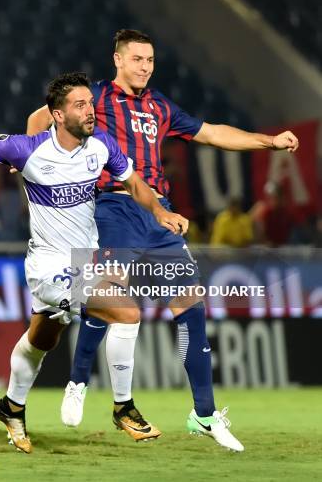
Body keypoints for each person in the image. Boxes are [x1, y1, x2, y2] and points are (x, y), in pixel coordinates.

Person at [27, 29, 299, 453]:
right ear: (117, 60)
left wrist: (268, 141)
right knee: (106, 298)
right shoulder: (94, 96)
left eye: (150, 60)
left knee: (191, 308)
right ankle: (78, 381)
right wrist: (36, 161)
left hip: (159, 215)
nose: (145, 67)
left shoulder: (159, 106)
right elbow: (38, 121)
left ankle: (204, 415)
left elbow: (211, 132)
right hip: (111, 207)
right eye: (137, 59)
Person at [0, 72, 189, 453]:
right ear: (57, 114)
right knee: (127, 313)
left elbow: (134, 181)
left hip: (85, 258)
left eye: (91, 103)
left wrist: (157, 210)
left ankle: (10, 406)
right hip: (49, 264)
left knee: (42, 340)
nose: (91, 111)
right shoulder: (29, 149)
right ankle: (124, 407)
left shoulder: (100, 145)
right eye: (80, 105)